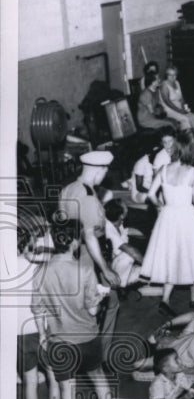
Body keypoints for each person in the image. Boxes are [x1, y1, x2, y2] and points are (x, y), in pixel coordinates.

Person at [31, 218, 118, 399]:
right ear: (74, 242)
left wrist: (42, 334)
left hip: (59, 341)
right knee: (98, 377)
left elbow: (37, 308)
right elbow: (91, 309)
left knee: (67, 388)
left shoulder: (41, 272)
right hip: (87, 337)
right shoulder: (85, 270)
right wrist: (100, 297)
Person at [140, 137, 194, 317]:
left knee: (171, 255)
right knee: (193, 254)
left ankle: (165, 300)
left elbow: (150, 194)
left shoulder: (164, 170)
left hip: (168, 216)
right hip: (187, 216)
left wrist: (160, 205)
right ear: (190, 151)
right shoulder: (193, 172)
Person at [57, 150, 120, 363]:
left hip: (70, 254)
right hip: (89, 258)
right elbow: (90, 235)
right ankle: (99, 356)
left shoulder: (69, 189)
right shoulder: (89, 197)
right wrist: (106, 269)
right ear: (100, 170)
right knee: (109, 303)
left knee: (81, 306)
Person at [14, 228, 64, 399]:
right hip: (43, 329)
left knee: (30, 382)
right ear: (29, 243)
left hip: (19, 333)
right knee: (54, 380)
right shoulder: (38, 267)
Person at [103, 199, 144, 288]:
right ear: (121, 216)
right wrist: (147, 266)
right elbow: (132, 251)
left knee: (146, 275)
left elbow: (126, 231)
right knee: (129, 256)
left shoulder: (116, 220)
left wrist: (148, 235)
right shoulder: (109, 230)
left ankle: (130, 280)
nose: (127, 208)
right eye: (126, 208)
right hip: (112, 268)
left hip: (120, 264)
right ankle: (119, 284)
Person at [159, 65, 194, 133]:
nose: (172, 77)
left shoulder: (177, 82)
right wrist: (180, 111)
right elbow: (167, 101)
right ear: (166, 75)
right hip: (169, 109)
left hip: (179, 107)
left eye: (174, 75)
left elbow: (181, 98)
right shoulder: (164, 85)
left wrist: (184, 107)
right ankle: (185, 140)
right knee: (185, 119)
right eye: (170, 75)